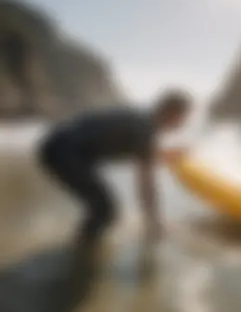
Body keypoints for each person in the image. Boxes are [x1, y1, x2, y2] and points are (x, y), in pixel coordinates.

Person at [37, 89, 192, 248]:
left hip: (60, 146)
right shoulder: (145, 128)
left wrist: (167, 156)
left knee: (101, 207)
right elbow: (146, 182)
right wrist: (153, 221)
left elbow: (140, 152)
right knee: (105, 210)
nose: (184, 123)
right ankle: (82, 250)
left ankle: (83, 242)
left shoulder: (143, 121)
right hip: (64, 151)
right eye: (183, 116)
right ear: (171, 112)